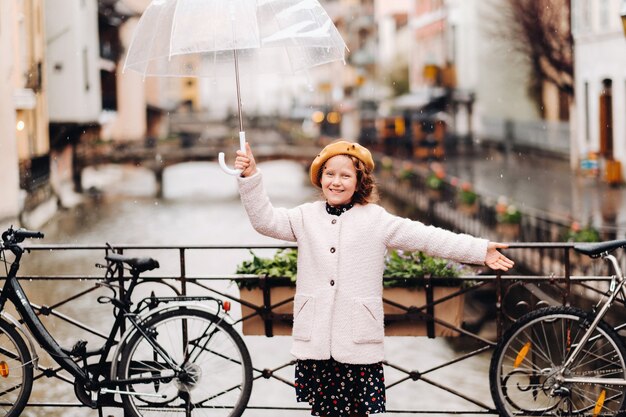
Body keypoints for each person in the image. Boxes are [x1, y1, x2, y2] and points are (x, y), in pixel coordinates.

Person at [234, 140, 514, 417]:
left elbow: (428, 237)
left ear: (360, 181)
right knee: (322, 412)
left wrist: (479, 250)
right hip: (317, 340)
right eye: (330, 174)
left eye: (346, 175)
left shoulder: (376, 220)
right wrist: (251, 177)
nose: (336, 182)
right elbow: (264, 221)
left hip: (357, 341)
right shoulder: (304, 216)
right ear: (320, 178)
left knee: (357, 414)